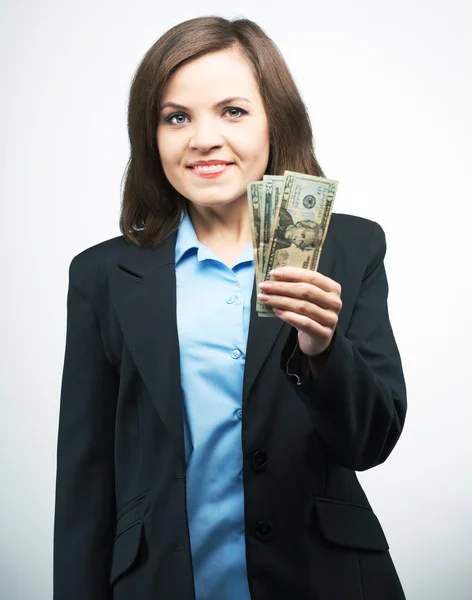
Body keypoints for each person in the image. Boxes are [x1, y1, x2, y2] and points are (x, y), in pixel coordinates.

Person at [53, 15, 407, 600]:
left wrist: (322, 353)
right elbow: (86, 480)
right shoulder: (102, 276)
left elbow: (369, 442)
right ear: (152, 136)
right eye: (176, 117)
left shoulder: (348, 247)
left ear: (275, 121)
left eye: (233, 111)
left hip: (323, 578)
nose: (203, 138)